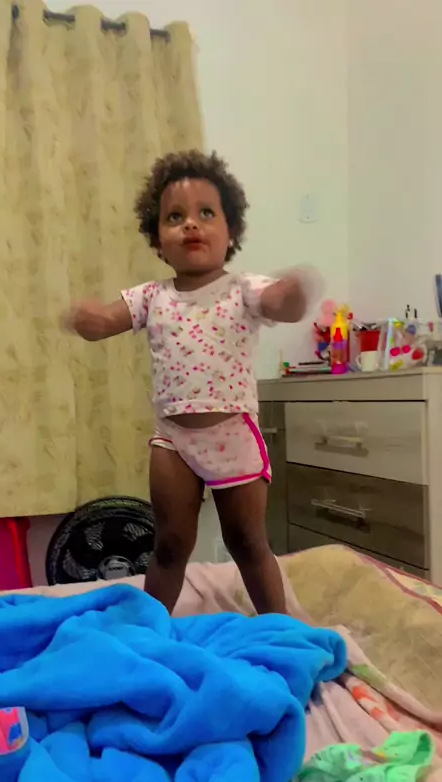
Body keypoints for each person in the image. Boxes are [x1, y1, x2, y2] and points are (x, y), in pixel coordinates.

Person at [67, 150, 321, 615]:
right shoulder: (151, 296)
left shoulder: (244, 288)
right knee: (169, 544)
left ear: (231, 231)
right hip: (174, 442)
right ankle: (150, 628)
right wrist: (89, 319)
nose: (190, 224)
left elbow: (280, 305)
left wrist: (292, 295)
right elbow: (105, 321)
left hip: (233, 437)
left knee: (247, 541)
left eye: (206, 213)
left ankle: (279, 628)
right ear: (157, 241)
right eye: (174, 217)